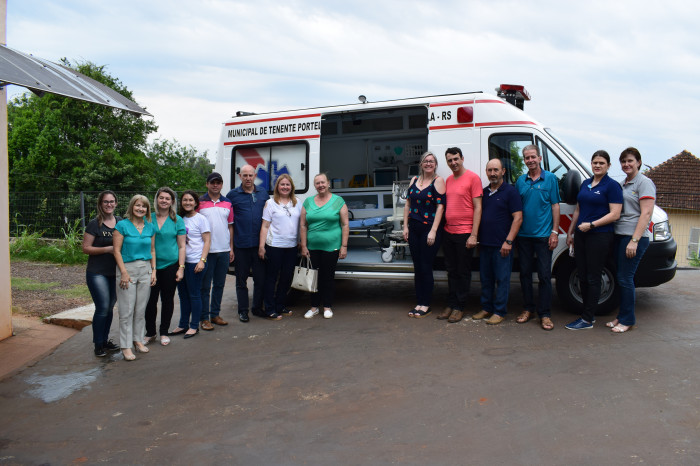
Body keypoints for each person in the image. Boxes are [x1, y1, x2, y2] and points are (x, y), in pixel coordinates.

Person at [565, 150, 623, 330]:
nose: (597, 166)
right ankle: (586, 314)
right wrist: (570, 231)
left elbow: (615, 214)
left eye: (601, 163)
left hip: (599, 236)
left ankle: (588, 319)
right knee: (582, 274)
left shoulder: (612, 186)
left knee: (593, 276)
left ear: (608, 166)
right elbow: (578, 210)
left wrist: (592, 225)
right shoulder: (586, 183)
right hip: (581, 235)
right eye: (595, 162)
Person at [607, 147, 656, 333]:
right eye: (623, 161)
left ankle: (628, 320)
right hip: (621, 235)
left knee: (626, 278)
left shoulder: (644, 183)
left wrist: (634, 240)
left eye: (630, 161)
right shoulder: (623, 183)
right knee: (621, 277)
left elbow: (646, 213)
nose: (626, 164)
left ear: (639, 162)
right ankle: (621, 316)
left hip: (633, 237)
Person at [514, 145, 561, 331]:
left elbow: (555, 206)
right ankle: (528, 309)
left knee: (544, 276)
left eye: (533, 157)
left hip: (543, 237)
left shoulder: (550, 179)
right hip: (523, 236)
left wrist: (555, 232)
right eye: (527, 158)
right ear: (524, 160)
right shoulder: (520, 181)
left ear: (540, 158)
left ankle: (545, 314)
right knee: (524, 274)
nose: (530, 160)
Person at [473, 159, 523, 325]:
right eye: (489, 170)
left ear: (503, 171)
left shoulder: (510, 192)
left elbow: (518, 218)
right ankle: (486, 308)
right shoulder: (484, 192)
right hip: (485, 245)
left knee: (502, 280)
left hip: (502, 246)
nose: (492, 173)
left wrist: (508, 241)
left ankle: (499, 311)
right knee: (486, 279)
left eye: (496, 170)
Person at [438, 147, 482, 323]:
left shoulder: (473, 178)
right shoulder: (448, 180)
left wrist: (474, 234)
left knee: (463, 272)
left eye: (456, 159)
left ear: (462, 158)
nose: (453, 163)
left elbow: (478, 207)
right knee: (451, 271)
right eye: (450, 160)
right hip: (449, 232)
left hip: (465, 233)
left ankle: (459, 307)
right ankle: (451, 303)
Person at [113, 195, 157, 361]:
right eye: (137, 205)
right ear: (132, 207)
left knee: (140, 309)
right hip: (127, 269)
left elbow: (152, 250)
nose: (140, 209)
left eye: (144, 206)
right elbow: (116, 250)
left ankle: (138, 339)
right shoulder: (122, 225)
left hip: (145, 269)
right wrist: (123, 272)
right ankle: (126, 346)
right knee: (126, 310)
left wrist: (154, 271)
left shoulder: (150, 227)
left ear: (147, 209)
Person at [300, 173, 349, 319]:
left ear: (328, 183)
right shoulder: (308, 202)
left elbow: (345, 224)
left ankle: (327, 306)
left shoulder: (338, 201)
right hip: (312, 247)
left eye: (323, 182)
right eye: (317, 183)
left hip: (332, 246)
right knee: (313, 277)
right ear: (314, 186)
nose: (320, 185)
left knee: (328, 277)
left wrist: (344, 246)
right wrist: (303, 245)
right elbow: (303, 225)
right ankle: (314, 307)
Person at [403, 151, 445, 318]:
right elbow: (407, 204)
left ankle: (425, 304)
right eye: (426, 161)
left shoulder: (438, 181)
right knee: (417, 267)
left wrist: (434, 231)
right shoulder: (414, 180)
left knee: (426, 267)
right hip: (413, 228)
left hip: (429, 229)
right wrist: (405, 226)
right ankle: (418, 302)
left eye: (432, 161)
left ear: (435, 165)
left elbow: (440, 207)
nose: (428, 163)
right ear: (421, 164)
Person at [226, 164, 270, 322]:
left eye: (250, 175)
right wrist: (230, 247)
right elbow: (228, 222)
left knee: (260, 279)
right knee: (241, 280)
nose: (248, 178)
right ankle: (243, 310)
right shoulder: (232, 195)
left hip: (259, 246)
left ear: (255, 175)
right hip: (241, 245)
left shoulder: (263, 193)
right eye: (245, 175)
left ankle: (257, 308)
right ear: (240, 177)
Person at [144, 187, 186, 346]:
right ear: (156, 200)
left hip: (170, 265)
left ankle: (163, 332)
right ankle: (150, 332)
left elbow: (182, 246)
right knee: (150, 300)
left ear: (172, 201)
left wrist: (181, 267)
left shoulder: (178, 220)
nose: (164, 201)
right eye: (161, 198)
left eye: (167, 198)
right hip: (151, 266)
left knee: (167, 299)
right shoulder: (149, 218)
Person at [82, 190, 122, 357]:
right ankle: (98, 344)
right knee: (102, 307)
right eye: (106, 202)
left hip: (115, 272)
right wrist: (108, 249)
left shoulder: (121, 222)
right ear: (100, 204)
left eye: (112, 201)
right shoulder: (94, 224)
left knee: (110, 308)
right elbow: (86, 248)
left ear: (116, 203)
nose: (109, 204)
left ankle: (105, 340)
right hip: (97, 272)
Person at [258, 174, 301, 319]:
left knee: (286, 277)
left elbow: (301, 225)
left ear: (291, 187)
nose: (285, 187)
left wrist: (301, 241)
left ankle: (280, 305)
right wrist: (261, 246)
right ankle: (269, 308)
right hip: (274, 245)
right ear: (277, 187)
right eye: (282, 184)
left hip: (292, 246)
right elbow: (265, 226)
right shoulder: (270, 203)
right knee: (272, 278)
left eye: (287, 184)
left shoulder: (297, 203)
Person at [170, 190, 211, 339]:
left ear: (195, 202)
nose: (188, 202)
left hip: (195, 262)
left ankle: (194, 326)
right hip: (181, 263)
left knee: (194, 295)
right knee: (183, 295)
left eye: (191, 200)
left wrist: (202, 260)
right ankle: (183, 324)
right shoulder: (179, 219)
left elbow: (207, 241)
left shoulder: (201, 219)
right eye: (185, 200)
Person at [198, 172, 234, 331]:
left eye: (218, 182)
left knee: (219, 284)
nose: (215, 185)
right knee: (205, 286)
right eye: (212, 182)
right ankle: (204, 318)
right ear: (207, 184)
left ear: (221, 184)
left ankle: (215, 314)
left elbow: (230, 226)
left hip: (224, 250)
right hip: (207, 252)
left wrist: (231, 247)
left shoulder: (227, 202)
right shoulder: (200, 202)